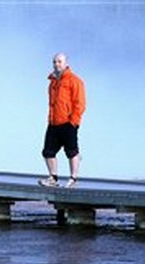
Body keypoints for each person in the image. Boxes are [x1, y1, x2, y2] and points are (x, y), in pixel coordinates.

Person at [39, 52, 86, 188]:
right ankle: (53, 178)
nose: (56, 64)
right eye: (54, 62)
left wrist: (73, 122)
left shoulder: (74, 80)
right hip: (54, 122)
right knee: (48, 151)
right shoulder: (53, 82)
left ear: (66, 63)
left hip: (68, 122)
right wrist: (50, 119)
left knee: (71, 151)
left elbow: (80, 103)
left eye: (59, 61)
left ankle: (73, 178)